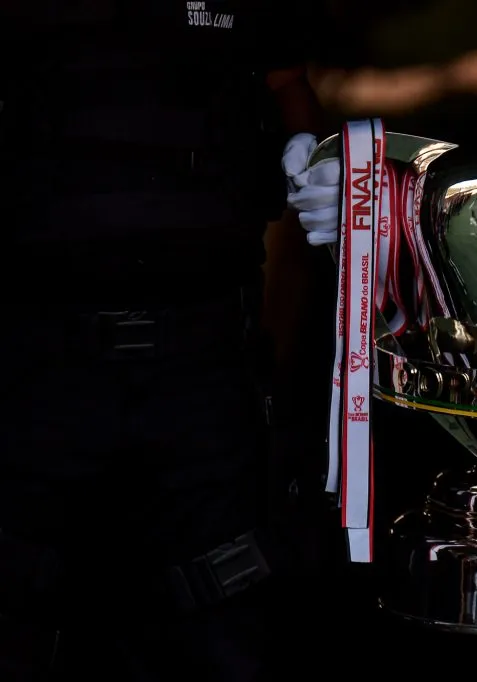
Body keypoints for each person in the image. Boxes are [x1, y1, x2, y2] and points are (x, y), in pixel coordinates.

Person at [0, 1, 323, 679]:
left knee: (222, 599)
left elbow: (286, 82)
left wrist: (312, 153)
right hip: (34, 357)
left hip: (202, 356)